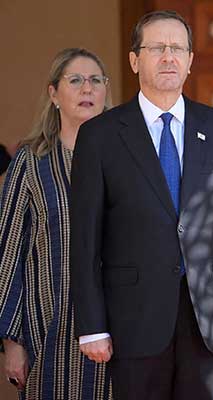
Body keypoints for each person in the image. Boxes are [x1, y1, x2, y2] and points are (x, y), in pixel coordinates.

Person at [69, 10, 213, 400]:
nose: (168, 57)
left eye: (177, 48)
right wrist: (92, 325)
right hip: (132, 319)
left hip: (208, 318)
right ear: (134, 60)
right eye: (157, 48)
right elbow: (86, 240)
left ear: (190, 60)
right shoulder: (100, 136)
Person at [0, 48, 111, 399]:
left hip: (119, 332)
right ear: (53, 94)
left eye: (95, 80)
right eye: (75, 80)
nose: (87, 89)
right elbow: (8, 253)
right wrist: (11, 343)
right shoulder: (31, 161)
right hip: (48, 331)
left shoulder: (127, 159)